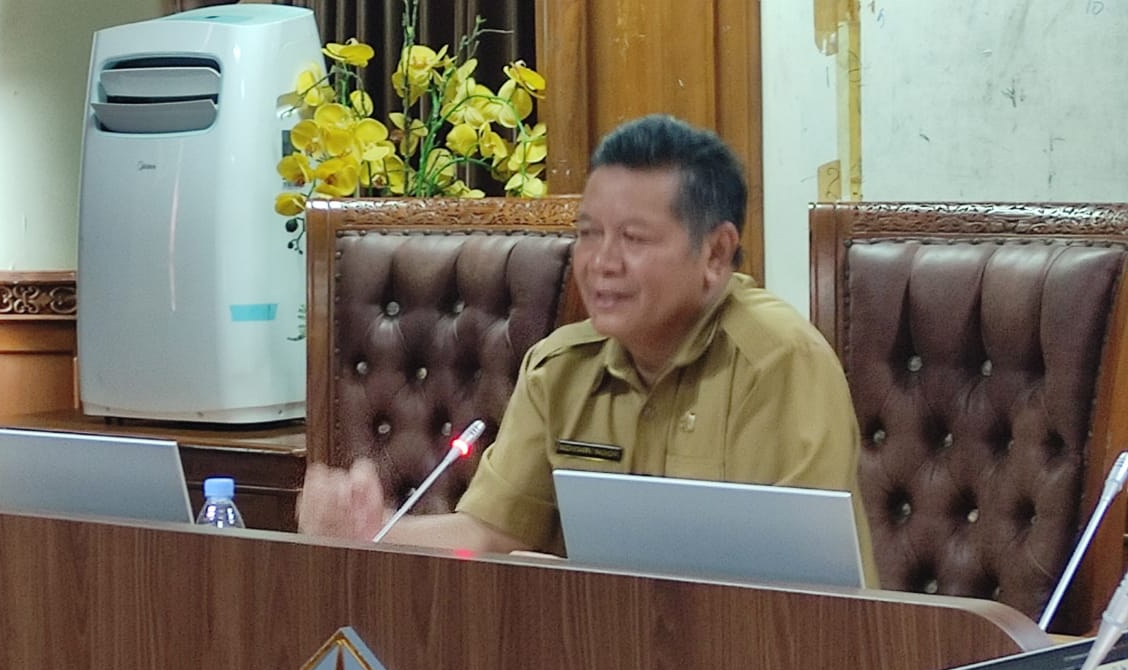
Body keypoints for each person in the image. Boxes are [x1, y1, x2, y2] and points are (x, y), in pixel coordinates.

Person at [297, 115, 873, 580]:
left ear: (716, 254)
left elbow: (806, 591)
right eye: (588, 234)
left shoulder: (778, 364)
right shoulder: (561, 369)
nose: (601, 263)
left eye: (633, 238)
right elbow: (488, 535)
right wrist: (371, 534)